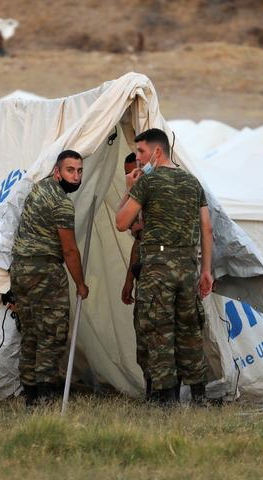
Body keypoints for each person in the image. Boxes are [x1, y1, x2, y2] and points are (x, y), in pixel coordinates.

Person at [115, 128, 213, 405]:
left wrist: (129, 189)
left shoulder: (149, 181)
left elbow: (122, 222)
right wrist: (206, 270)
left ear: (157, 152)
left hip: (158, 267)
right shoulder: (193, 182)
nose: (138, 159)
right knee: (190, 330)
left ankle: (165, 398)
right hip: (188, 265)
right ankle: (199, 396)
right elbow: (206, 228)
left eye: (141, 152)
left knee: (159, 330)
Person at [10, 149, 89, 406]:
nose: (76, 177)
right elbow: (69, 249)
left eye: (79, 171)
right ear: (57, 171)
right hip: (44, 271)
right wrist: (80, 283)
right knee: (50, 335)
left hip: (20, 271)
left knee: (30, 334)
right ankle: (44, 398)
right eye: (70, 170)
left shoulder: (39, 189)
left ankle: (30, 396)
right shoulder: (62, 203)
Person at [120, 152, 151, 398]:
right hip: (144, 274)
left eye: (135, 171)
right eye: (128, 174)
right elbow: (135, 241)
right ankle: (152, 389)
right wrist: (129, 280)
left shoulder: (156, 193)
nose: (133, 177)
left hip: (161, 271)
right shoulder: (135, 197)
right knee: (143, 336)